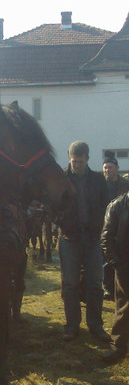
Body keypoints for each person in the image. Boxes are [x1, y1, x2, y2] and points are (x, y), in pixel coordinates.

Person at [58, 141, 111, 342]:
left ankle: (95, 325)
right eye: (73, 161)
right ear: (69, 159)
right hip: (69, 238)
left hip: (93, 239)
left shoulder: (98, 180)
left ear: (87, 159)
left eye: (80, 162)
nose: (77, 165)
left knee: (95, 284)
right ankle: (72, 326)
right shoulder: (61, 178)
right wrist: (59, 220)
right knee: (70, 285)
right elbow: (53, 203)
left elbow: (107, 206)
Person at [100, 190, 129, 363]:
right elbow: (106, 236)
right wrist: (116, 263)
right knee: (124, 306)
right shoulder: (117, 206)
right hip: (125, 263)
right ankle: (118, 346)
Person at [102, 155, 129, 300]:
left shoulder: (125, 184)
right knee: (106, 260)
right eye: (105, 167)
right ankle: (108, 287)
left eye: (110, 168)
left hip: (121, 227)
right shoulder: (99, 184)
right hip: (104, 224)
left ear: (116, 169)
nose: (107, 170)